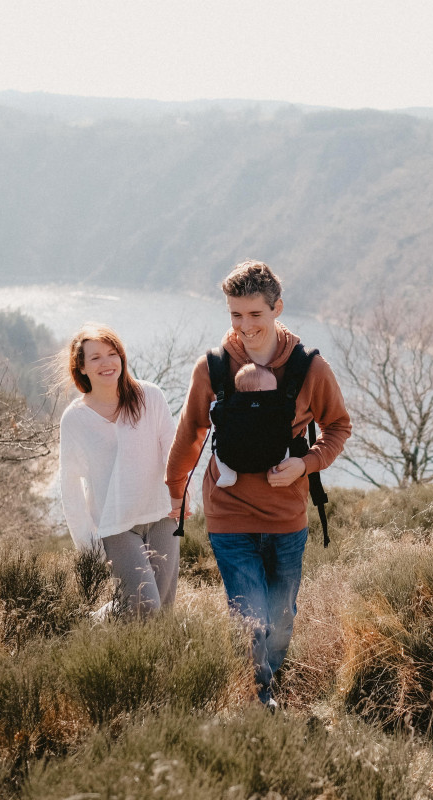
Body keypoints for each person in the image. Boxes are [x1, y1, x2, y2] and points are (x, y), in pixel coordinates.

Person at [166, 261, 351, 707]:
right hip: (228, 513)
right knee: (249, 615)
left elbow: (338, 427)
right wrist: (175, 493)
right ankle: (258, 697)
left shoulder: (309, 368)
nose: (245, 327)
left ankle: (273, 680)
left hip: (287, 517)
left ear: (277, 308)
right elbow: (190, 432)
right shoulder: (212, 367)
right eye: (235, 315)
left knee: (282, 618)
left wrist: (305, 464)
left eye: (255, 315)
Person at [59, 323, 179, 617]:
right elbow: (70, 487)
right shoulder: (75, 419)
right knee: (143, 604)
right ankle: (94, 624)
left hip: (163, 515)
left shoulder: (150, 396)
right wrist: (87, 545)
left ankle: (148, 661)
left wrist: (180, 496)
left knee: (162, 609)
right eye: (96, 357)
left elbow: (174, 452)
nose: (107, 362)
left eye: (112, 353)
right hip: (115, 526)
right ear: (82, 367)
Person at [213, 362, 285, 488]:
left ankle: (228, 474)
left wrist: (214, 407)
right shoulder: (272, 406)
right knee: (285, 443)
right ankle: (276, 469)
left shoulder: (231, 405)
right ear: (259, 392)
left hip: (233, 454)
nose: (275, 392)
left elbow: (216, 416)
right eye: (273, 388)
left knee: (217, 446)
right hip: (269, 452)